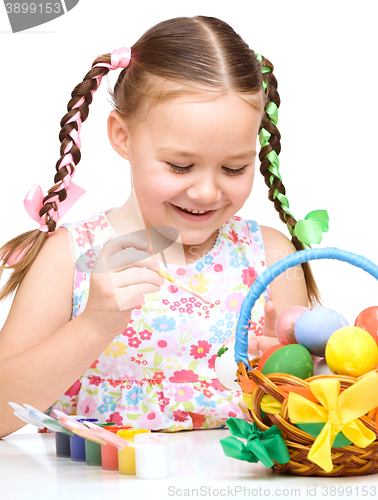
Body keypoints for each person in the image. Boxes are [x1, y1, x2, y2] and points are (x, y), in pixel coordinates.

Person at [0, 16, 326, 438]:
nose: (207, 192)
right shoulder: (69, 258)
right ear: (122, 136)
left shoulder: (270, 257)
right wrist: (95, 325)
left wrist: (288, 378)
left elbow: (308, 418)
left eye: (234, 167)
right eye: (180, 165)